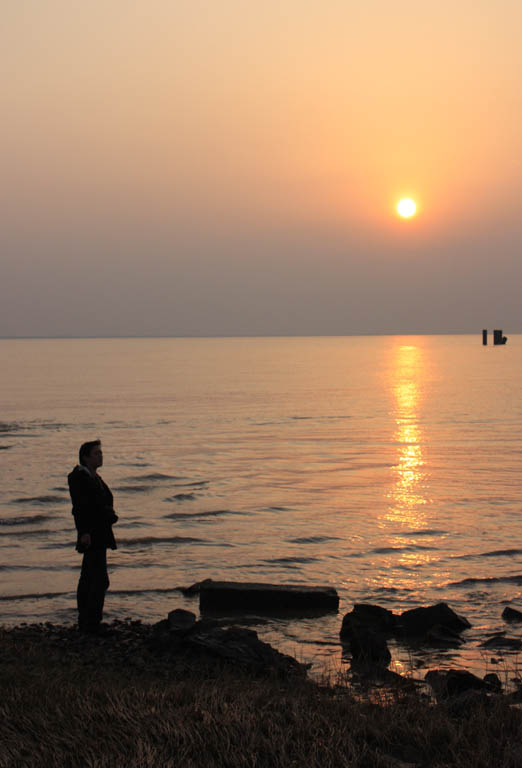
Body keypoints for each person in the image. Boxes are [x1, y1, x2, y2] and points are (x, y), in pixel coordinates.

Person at [68, 440, 118, 634]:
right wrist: (85, 532)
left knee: (90, 577)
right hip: (93, 534)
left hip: (99, 532)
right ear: (86, 457)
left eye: (101, 453)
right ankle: (91, 622)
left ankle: (88, 621)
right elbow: (80, 508)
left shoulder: (93, 477)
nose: (100, 456)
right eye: (96, 453)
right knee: (97, 579)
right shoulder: (80, 478)